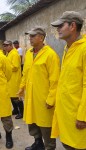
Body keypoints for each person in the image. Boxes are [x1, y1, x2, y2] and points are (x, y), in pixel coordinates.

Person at [17, 26, 60, 150]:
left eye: (32, 36)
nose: (30, 38)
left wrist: (51, 99)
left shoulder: (50, 55)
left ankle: (49, 146)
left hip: (43, 98)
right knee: (32, 122)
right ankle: (38, 142)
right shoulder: (29, 54)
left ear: (41, 38)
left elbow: (55, 79)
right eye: (29, 36)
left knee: (45, 125)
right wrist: (21, 88)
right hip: (31, 96)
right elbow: (25, 73)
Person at [51, 11, 86, 150]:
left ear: (72, 26)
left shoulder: (84, 49)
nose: (58, 29)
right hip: (66, 112)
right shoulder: (68, 48)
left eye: (61, 25)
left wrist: (83, 115)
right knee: (67, 143)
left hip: (78, 115)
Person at [3, 40, 23, 119]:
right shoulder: (9, 53)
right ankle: (15, 110)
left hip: (14, 78)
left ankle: (21, 112)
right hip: (10, 78)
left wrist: (5, 68)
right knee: (11, 95)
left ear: (11, 45)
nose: (6, 47)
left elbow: (15, 67)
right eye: (4, 46)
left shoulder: (14, 54)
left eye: (7, 45)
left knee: (16, 96)